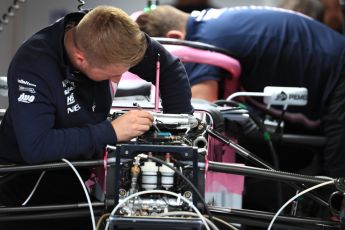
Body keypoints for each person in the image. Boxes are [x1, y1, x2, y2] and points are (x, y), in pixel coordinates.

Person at [0, 5, 193, 229]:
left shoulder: (113, 36)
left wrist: (176, 142)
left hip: (83, 177)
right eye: (114, 75)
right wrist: (111, 132)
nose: (119, 78)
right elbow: (36, 146)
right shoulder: (34, 64)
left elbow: (169, 69)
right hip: (25, 185)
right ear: (81, 59)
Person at [136, 5, 345, 178]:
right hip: (332, 71)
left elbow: (199, 116)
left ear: (174, 37)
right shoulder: (211, 24)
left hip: (338, 78)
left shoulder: (200, 43)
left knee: (336, 181)